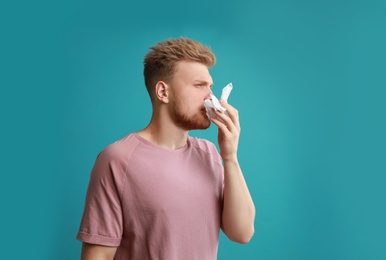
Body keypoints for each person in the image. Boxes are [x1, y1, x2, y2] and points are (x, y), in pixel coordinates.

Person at [76, 37, 255, 260]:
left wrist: (230, 157)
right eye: (199, 85)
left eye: (210, 86)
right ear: (163, 92)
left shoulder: (209, 154)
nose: (211, 96)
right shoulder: (117, 160)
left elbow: (242, 233)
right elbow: (98, 256)